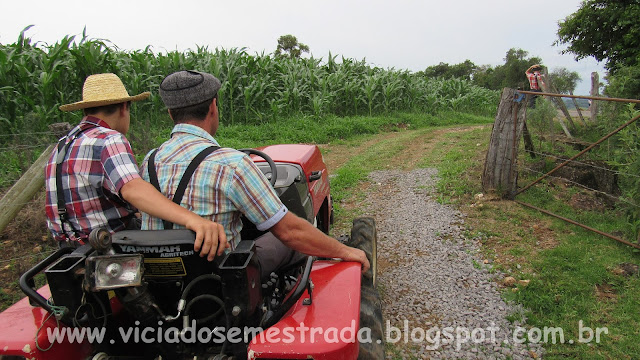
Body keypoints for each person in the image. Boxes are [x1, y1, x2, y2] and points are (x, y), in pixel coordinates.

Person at [140, 70, 369, 278]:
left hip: (162, 282)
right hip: (223, 282)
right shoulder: (232, 165)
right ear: (213, 107)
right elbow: (290, 232)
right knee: (289, 239)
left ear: (170, 114)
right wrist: (344, 250)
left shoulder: (149, 161)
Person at [45, 73, 227, 260]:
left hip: (68, 251)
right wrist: (194, 220)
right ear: (124, 108)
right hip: (111, 248)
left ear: (86, 110)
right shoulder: (108, 139)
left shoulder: (61, 146)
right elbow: (133, 189)